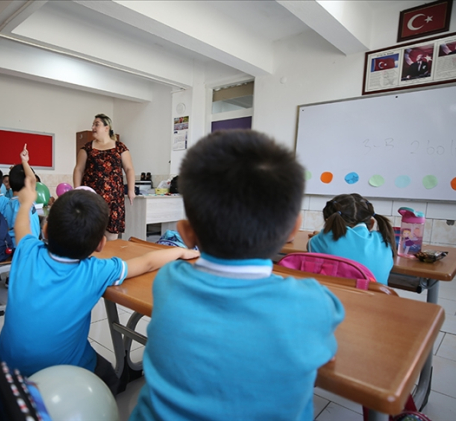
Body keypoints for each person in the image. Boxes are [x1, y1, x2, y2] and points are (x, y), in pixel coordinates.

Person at [129, 130, 344, 421]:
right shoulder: (312, 303)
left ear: (186, 233)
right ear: (293, 229)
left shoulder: (169, 280)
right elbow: (327, 349)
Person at [0, 145, 198, 394]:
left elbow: (22, 226)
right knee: (109, 377)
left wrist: (26, 201)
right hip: (59, 371)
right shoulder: (95, 271)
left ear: (46, 230)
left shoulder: (27, 252)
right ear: (101, 244)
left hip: (8, 362)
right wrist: (179, 252)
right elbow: (146, 262)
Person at [308, 193, 396, 284]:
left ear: (329, 222)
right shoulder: (385, 240)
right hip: (374, 293)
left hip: (333, 293)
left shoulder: (320, 240)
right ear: (372, 223)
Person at [73, 114, 136, 241]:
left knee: (111, 237)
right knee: (91, 234)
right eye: (93, 125)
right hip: (91, 199)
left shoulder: (120, 147)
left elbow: (129, 169)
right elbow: (78, 169)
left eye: (96, 124)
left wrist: (131, 190)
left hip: (114, 199)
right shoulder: (87, 148)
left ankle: (109, 254)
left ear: (107, 128)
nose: (93, 127)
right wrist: (77, 190)